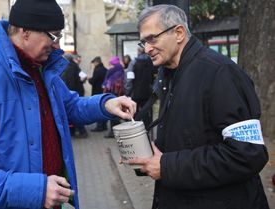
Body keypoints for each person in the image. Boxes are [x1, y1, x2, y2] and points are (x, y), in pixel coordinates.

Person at [0, 0, 136, 209]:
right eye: (53, 36)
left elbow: (69, 106)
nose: (57, 46)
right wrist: (35, 191)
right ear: (25, 32)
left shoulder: (41, 69)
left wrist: (105, 105)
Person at [126, 4, 269, 209]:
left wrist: (167, 166)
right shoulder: (170, 72)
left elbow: (247, 154)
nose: (147, 48)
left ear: (179, 33)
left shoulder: (220, 73)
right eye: (143, 42)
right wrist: (148, 154)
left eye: (152, 38)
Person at [125, 47, 156, 128]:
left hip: (135, 93)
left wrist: (127, 92)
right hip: (147, 92)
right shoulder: (151, 62)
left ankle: (135, 132)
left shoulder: (133, 62)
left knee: (134, 112)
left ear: (138, 52)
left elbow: (129, 79)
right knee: (146, 113)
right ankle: (148, 130)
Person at [61, 53, 88, 138]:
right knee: (76, 111)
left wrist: (67, 93)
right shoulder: (75, 66)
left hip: (73, 92)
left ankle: (81, 131)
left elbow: (70, 83)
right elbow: (82, 77)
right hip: (79, 90)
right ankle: (75, 131)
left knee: (74, 111)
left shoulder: (69, 68)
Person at [102, 56, 125, 138]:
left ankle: (114, 133)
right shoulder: (120, 69)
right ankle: (116, 132)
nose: (109, 66)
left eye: (110, 64)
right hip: (118, 94)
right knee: (116, 114)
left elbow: (109, 83)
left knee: (113, 114)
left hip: (114, 94)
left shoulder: (114, 71)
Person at [88, 56, 108, 132]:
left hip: (97, 92)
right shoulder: (105, 69)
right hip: (104, 92)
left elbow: (93, 81)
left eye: (94, 63)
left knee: (97, 109)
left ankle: (99, 126)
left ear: (97, 62)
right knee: (103, 109)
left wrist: (89, 79)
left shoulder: (97, 70)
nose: (93, 64)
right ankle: (104, 125)